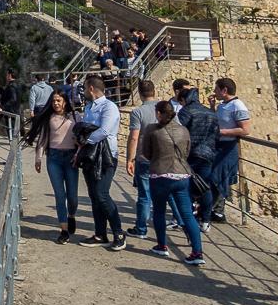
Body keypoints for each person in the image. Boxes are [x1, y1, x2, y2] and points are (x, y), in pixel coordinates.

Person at [142, 100, 205, 264]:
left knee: (159, 212)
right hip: (182, 176)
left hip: (160, 175)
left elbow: (146, 153)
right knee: (187, 214)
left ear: (158, 113)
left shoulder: (152, 130)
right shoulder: (183, 130)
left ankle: (162, 245)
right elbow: (186, 152)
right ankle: (197, 252)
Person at [78, 74, 125, 251]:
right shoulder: (89, 107)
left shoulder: (109, 107)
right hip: (90, 156)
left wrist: (84, 141)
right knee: (94, 195)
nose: (83, 92)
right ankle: (100, 234)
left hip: (105, 156)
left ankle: (119, 233)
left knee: (102, 194)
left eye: (84, 88)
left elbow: (104, 131)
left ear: (91, 88)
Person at [28, 90, 81, 244]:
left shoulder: (75, 116)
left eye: (58, 100)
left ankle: (71, 216)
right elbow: (43, 138)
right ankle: (64, 231)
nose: (56, 104)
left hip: (71, 158)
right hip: (54, 159)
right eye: (54, 101)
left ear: (64, 101)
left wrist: (78, 153)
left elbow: (81, 137)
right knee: (60, 195)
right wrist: (38, 158)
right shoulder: (49, 118)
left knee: (72, 197)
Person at [175, 85, 220, 231]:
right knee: (204, 186)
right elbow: (217, 135)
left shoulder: (186, 111)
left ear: (184, 99)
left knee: (186, 185)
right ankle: (205, 220)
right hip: (207, 154)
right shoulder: (210, 113)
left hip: (190, 154)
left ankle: (185, 218)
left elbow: (178, 131)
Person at [125, 81, 164, 240]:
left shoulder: (138, 112)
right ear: (155, 92)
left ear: (139, 94)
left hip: (144, 157)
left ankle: (141, 228)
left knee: (144, 195)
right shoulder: (164, 110)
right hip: (163, 157)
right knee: (168, 194)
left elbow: (134, 138)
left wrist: (129, 159)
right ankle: (183, 224)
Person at [209, 77, 251, 223]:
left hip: (227, 147)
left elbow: (245, 130)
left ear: (224, 90)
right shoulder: (223, 105)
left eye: (216, 89)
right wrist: (212, 107)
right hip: (218, 146)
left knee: (217, 178)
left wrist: (222, 132)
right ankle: (217, 212)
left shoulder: (238, 106)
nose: (214, 91)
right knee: (215, 178)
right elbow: (217, 120)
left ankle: (214, 211)